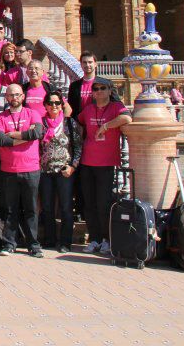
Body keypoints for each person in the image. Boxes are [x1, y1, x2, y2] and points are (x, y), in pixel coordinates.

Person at [77, 77, 131, 255]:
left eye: (102, 88)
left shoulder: (115, 107)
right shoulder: (88, 109)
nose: (98, 91)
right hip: (87, 161)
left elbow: (127, 118)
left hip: (107, 163)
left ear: (109, 90)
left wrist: (107, 125)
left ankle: (107, 239)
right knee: (89, 204)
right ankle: (94, 239)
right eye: (95, 89)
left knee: (104, 203)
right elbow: (78, 123)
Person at [0, 83, 45, 257]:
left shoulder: (32, 113)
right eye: (11, 95)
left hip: (31, 168)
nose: (14, 98)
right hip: (8, 169)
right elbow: (0, 140)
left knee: (31, 209)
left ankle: (33, 245)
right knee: (10, 209)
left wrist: (12, 134)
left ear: (23, 96)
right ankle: (9, 244)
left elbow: (37, 133)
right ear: (6, 98)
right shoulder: (0, 118)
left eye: (17, 95)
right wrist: (24, 136)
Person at [38, 90, 82, 253]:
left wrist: (73, 166)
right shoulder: (40, 123)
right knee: (47, 206)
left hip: (65, 170)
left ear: (62, 105)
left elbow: (78, 148)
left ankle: (65, 241)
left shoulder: (69, 123)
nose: (54, 106)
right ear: (45, 105)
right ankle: (50, 239)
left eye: (57, 103)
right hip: (45, 170)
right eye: (50, 103)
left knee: (65, 206)